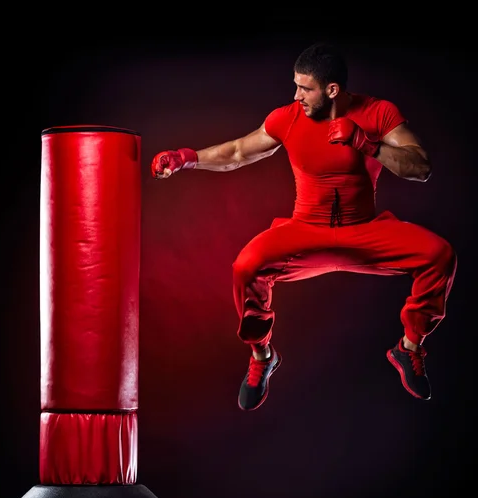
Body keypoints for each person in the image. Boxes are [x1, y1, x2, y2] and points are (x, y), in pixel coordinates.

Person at [150, 42, 457, 411]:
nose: (296, 95)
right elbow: (236, 153)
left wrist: (366, 144)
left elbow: (420, 167)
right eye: (295, 86)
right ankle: (263, 357)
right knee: (246, 268)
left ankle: (408, 349)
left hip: (364, 231)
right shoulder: (288, 117)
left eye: (304, 88)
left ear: (331, 90)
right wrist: (186, 159)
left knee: (439, 256)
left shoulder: (377, 112)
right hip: (306, 230)